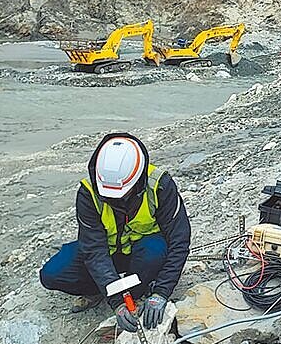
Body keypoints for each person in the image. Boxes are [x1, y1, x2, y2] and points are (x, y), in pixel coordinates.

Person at [39, 133, 190, 332]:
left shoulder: (159, 186)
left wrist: (161, 292)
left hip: (143, 255)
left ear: (138, 179)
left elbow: (180, 241)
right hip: (107, 255)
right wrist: (117, 302)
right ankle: (101, 291)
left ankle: (139, 291)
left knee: (156, 249)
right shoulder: (88, 192)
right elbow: (94, 250)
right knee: (53, 274)